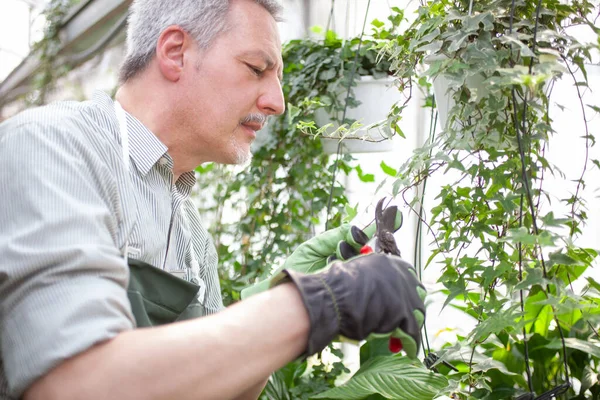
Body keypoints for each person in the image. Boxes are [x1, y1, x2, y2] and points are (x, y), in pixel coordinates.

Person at [0, 0, 426, 399]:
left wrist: (278, 295)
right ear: (175, 52)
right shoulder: (54, 148)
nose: (277, 102)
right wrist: (315, 304)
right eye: (257, 68)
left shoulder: (191, 232)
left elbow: (219, 389)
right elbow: (74, 384)